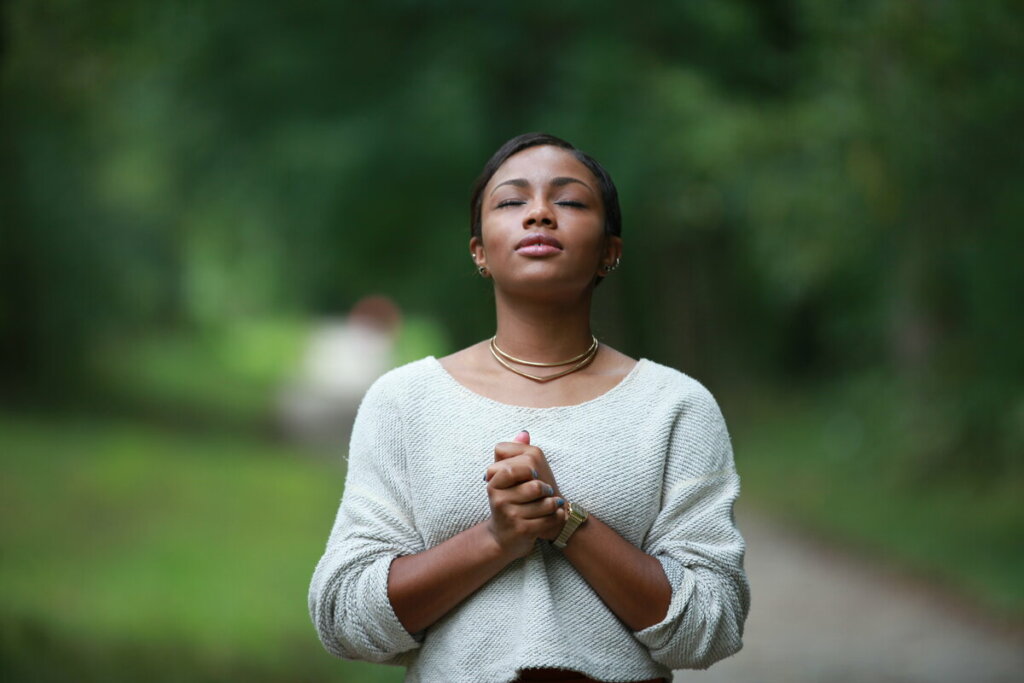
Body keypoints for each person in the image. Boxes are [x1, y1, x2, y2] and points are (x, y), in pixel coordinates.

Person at [308, 133, 750, 683]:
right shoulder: (403, 402)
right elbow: (344, 616)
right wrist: (496, 539)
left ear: (610, 251)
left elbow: (712, 623)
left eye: (568, 201)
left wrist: (564, 522)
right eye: (512, 202)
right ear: (479, 251)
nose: (539, 213)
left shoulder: (675, 407)